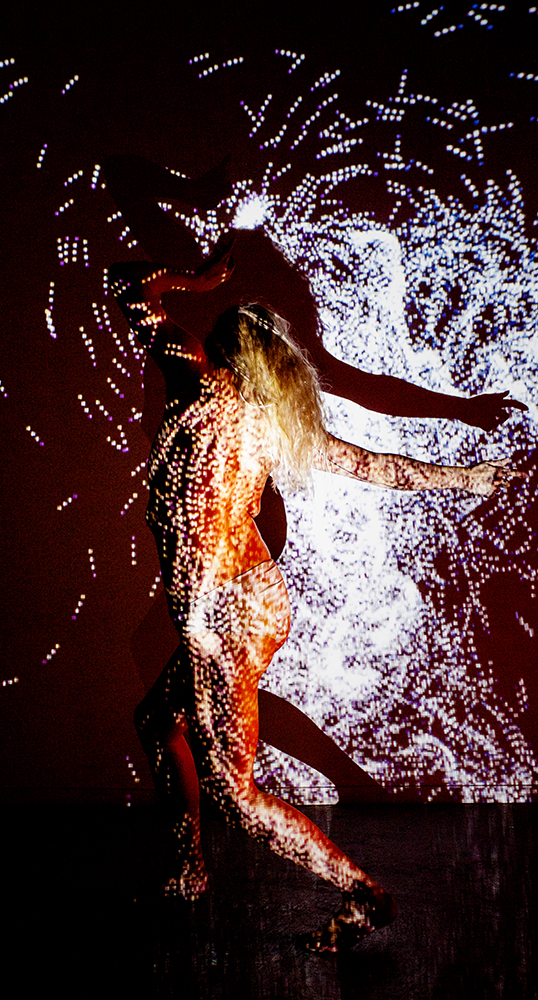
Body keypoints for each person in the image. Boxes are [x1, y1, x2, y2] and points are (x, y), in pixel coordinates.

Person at [109, 239, 524, 952]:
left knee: (236, 795)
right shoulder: (263, 421)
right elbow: (381, 467)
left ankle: (361, 893)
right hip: (242, 602)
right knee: (157, 722)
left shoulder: (194, 378)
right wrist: (469, 479)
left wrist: (195, 279)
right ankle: (188, 874)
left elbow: (127, 285)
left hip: (226, 615)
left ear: (220, 350)